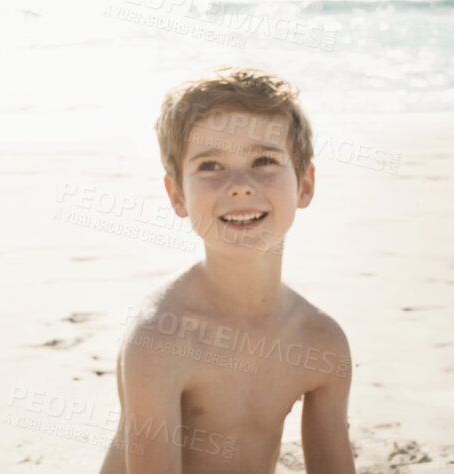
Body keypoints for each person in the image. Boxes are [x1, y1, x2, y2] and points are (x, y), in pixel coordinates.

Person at [101, 67, 354, 473]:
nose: (240, 184)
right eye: (211, 166)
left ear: (305, 184)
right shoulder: (159, 336)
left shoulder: (321, 343)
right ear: (177, 195)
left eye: (263, 159)